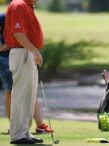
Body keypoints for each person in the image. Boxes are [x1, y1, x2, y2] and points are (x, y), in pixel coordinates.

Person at [0, 13, 53, 135]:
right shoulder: (3, 17)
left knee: (29, 90)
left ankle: (40, 125)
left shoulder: (24, 15)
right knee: (11, 90)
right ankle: (15, 126)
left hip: (24, 57)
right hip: (5, 59)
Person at [4, 0, 44, 144]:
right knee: (21, 94)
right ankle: (17, 135)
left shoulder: (28, 5)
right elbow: (18, 33)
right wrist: (34, 50)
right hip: (22, 53)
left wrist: (34, 51)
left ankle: (25, 132)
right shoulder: (19, 5)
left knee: (29, 95)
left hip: (27, 53)